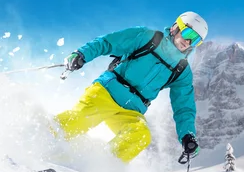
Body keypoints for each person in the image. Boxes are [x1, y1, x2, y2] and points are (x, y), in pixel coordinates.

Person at [52, 11, 208, 164]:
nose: (188, 42)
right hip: (107, 92)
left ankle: (100, 166)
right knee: (76, 121)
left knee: (140, 135)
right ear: (176, 27)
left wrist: (187, 135)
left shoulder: (182, 70)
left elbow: (184, 106)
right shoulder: (148, 37)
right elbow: (108, 42)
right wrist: (81, 54)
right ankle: (41, 136)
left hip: (132, 110)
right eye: (188, 33)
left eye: (195, 41)